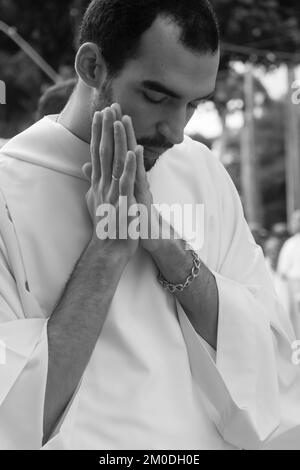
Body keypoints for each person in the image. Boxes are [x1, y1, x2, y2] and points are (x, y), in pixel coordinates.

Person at [0, 0, 299, 451]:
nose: (175, 131)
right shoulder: (7, 189)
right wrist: (109, 247)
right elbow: (14, 415)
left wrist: (171, 252)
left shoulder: (202, 170)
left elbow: (269, 356)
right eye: (158, 97)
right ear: (92, 66)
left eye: (193, 105)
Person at [278, 211, 300, 337]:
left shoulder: (291, 244)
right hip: (292, 285)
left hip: (294, 285)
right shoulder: (290, 243)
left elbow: (282, 271)